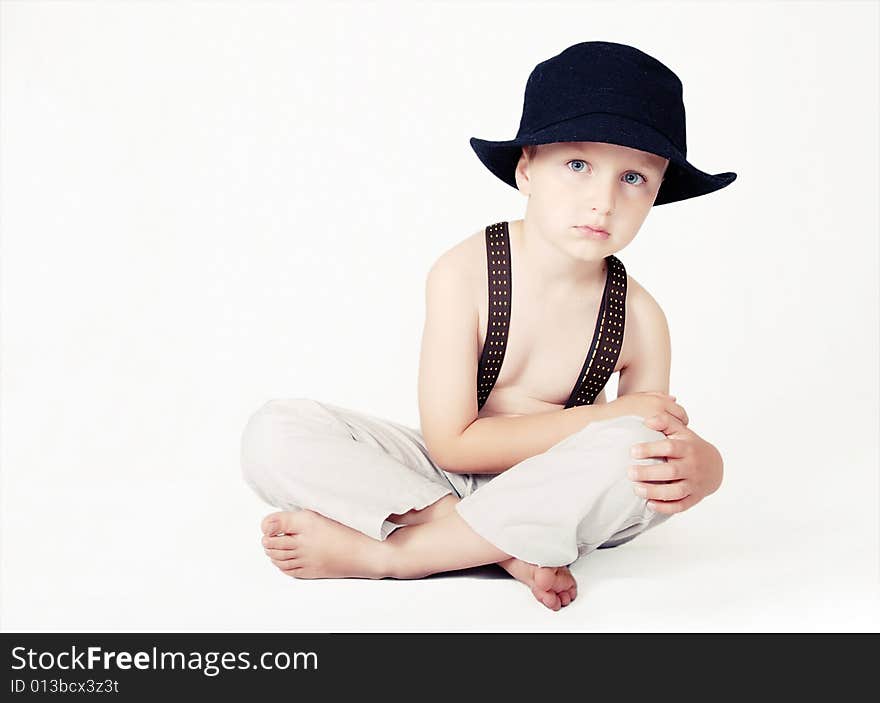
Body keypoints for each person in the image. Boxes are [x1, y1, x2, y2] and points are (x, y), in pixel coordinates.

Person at [241, 41, 734, 611]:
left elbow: (646, 442)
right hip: (443, 483)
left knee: (639, 448)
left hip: (557, 495)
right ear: (527, 169)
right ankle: (497, 548)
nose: (602, 200)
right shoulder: (467, 272)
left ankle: (397, 554)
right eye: (578, 165)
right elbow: (452, 445)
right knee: (275, 431)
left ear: (657, 193)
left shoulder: (640, 318)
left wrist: (708, 469)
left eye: (634, 179)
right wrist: (607, 416)